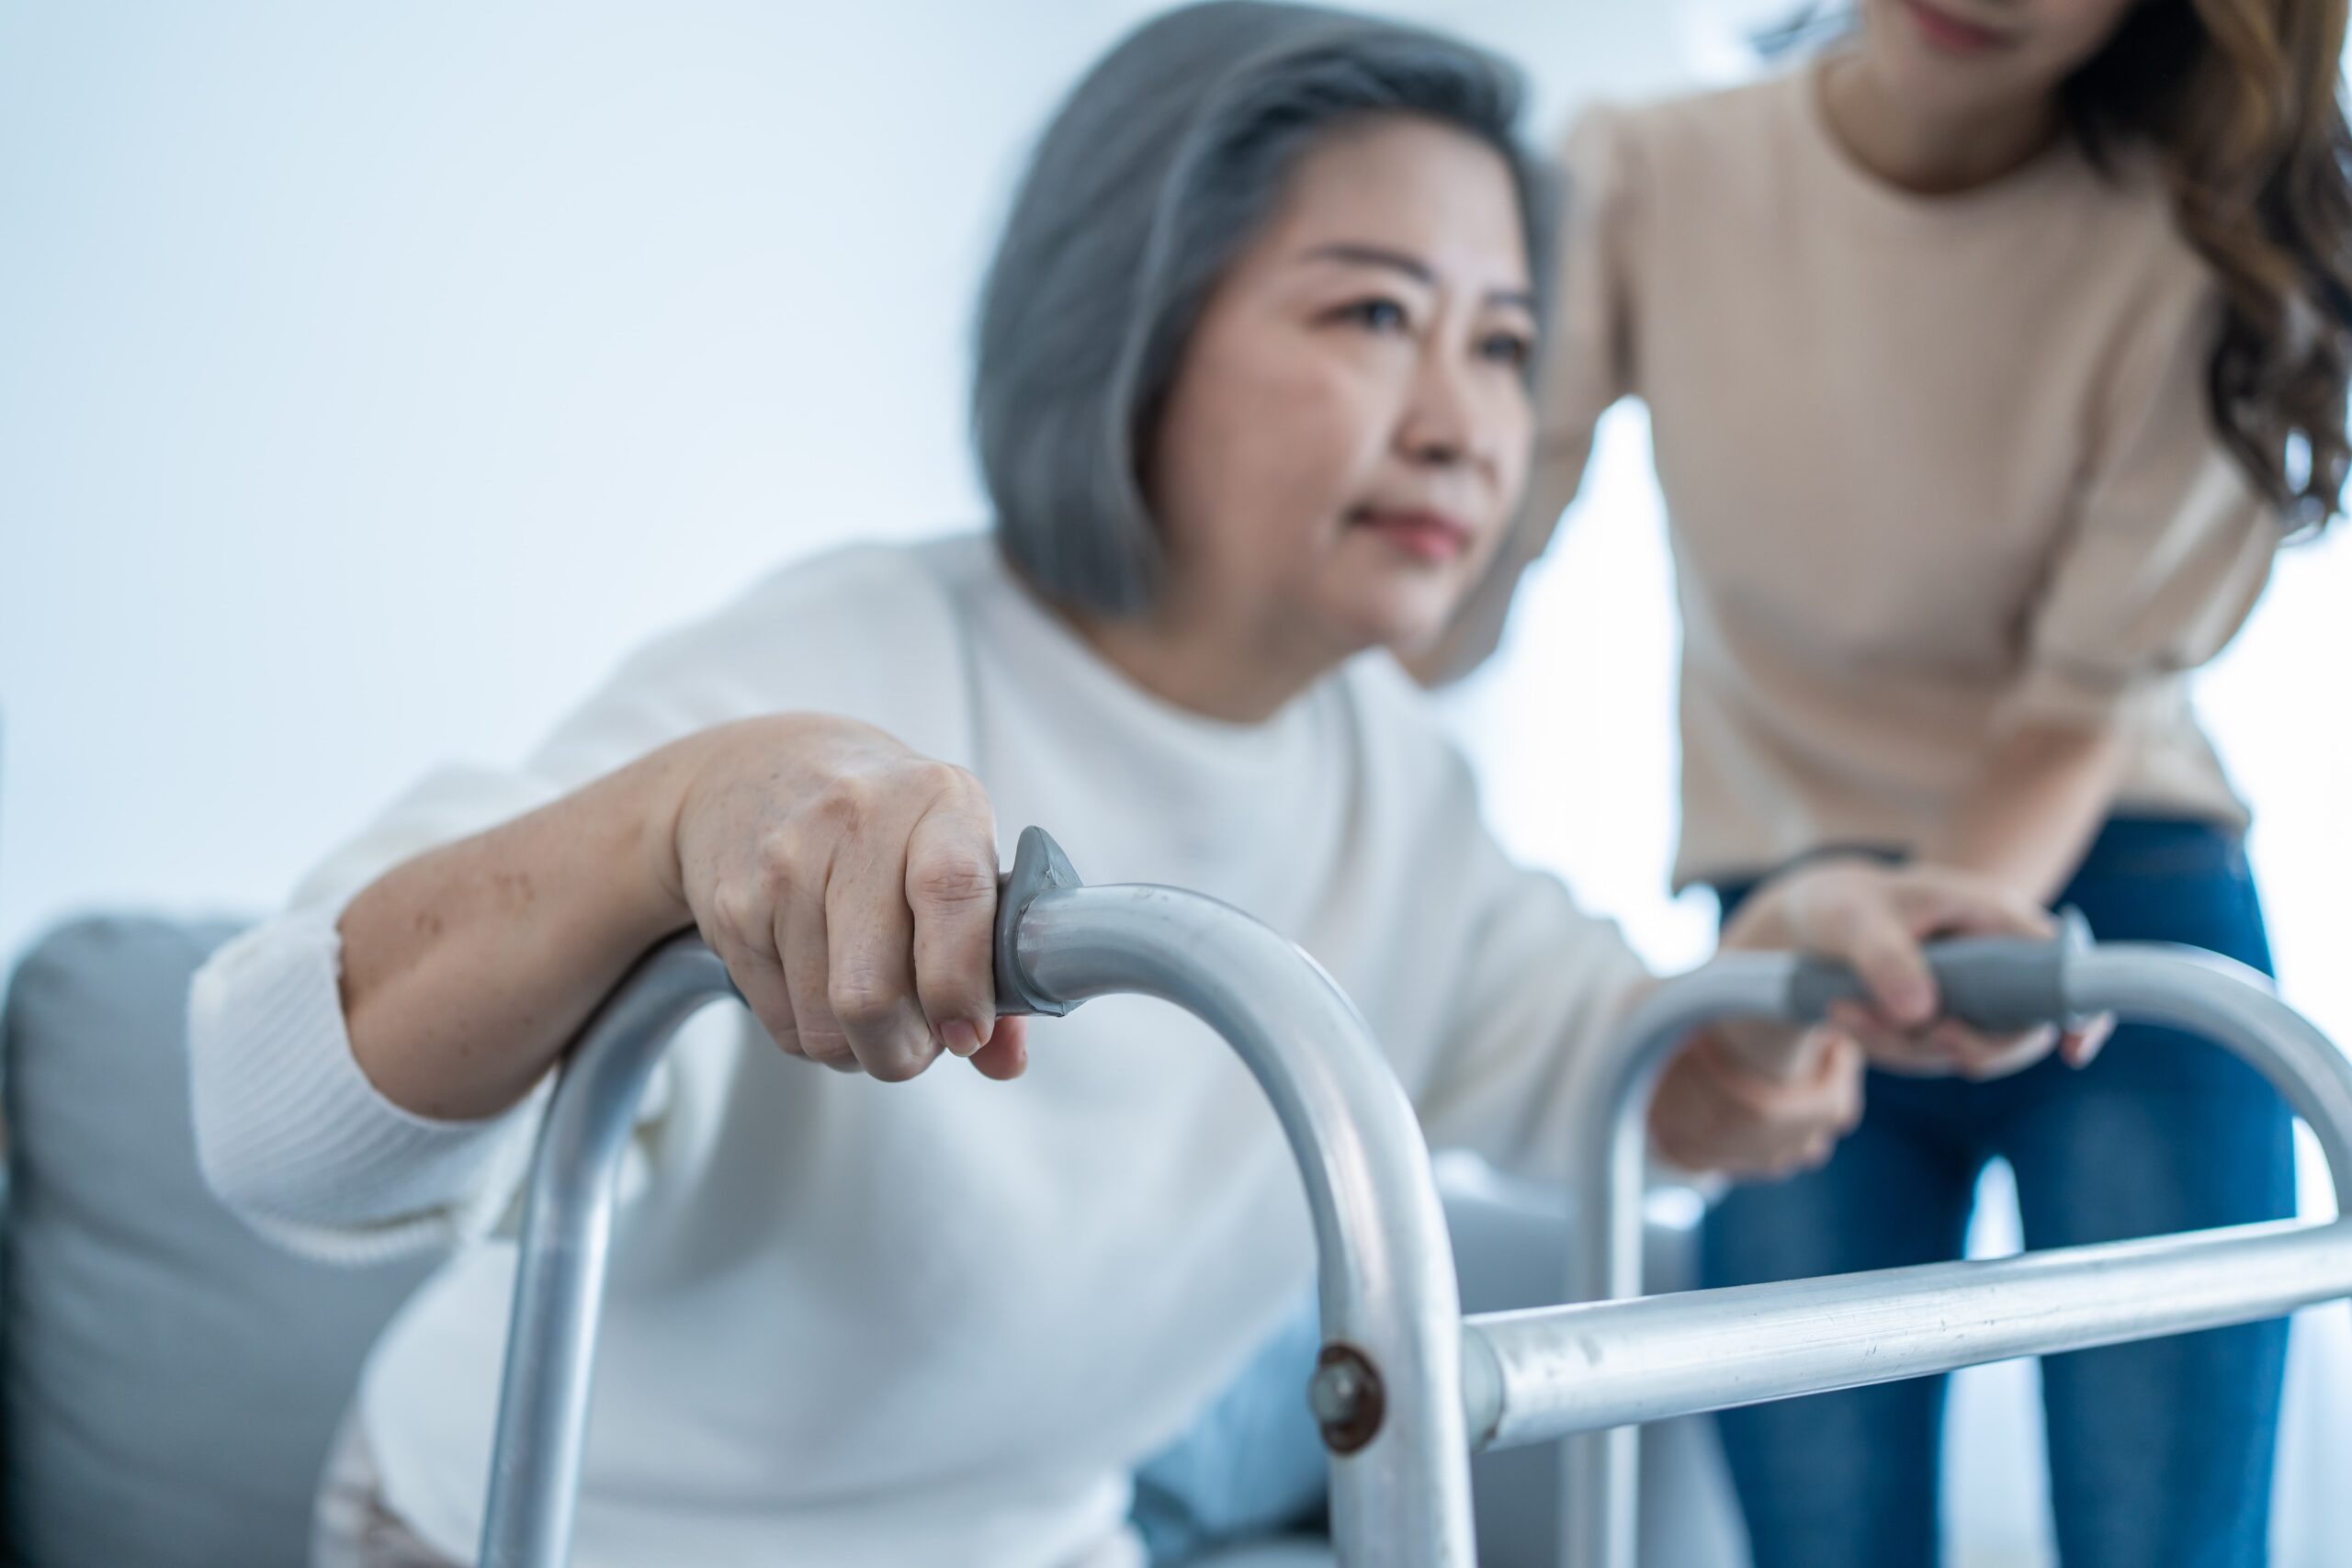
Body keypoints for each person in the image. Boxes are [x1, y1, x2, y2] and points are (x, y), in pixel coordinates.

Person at [190, 6, 2064, 1564]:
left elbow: (1635, 1078)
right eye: (1367, 316)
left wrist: (1788, 973)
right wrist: (674, 819)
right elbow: (265, 1110)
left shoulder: (1387, 788)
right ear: (1135, 320)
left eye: (1502, 345)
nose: (1460, 419)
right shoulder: (842, 663)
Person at [1417, 2, 2352, 1563]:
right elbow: (1452, 579)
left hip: (2109, 912)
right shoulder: (1640, 177)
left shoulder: (2195, 248)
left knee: (2170, 1546)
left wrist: (1901, 939)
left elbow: (2076, 716)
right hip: (1790, 933)